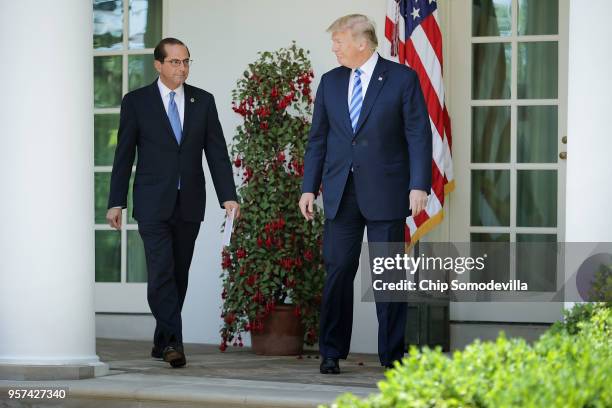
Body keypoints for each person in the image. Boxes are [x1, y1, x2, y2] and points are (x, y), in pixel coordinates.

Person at [299, 15, 432, 374]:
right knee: (338, 271)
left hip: (388, 192)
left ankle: (393, 356)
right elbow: (318, 140)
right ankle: (331, 351)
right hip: (341, 193)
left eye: (339, 41)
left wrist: (419, 184)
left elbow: (418, 134)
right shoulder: (329, 82)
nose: (334, 48)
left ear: (362, 42)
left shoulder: (402, 79)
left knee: (388, 275)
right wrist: (309, 187)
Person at [106, 37, 239, 368]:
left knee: (179, 273)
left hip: (190, 202)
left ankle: (160, 339)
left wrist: (228, 196)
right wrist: (115, 201)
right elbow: (123, 156)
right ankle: (173, 344)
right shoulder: (136, 102)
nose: (183, 68)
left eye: (186, 61)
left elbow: (217, 153)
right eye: (176, 62)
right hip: (152, 203)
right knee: (161, 271)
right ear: (158, 65)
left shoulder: (202, 101)